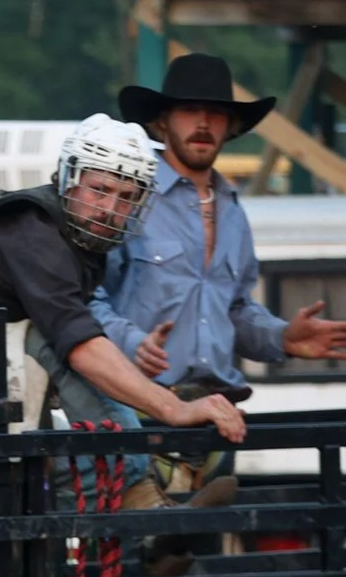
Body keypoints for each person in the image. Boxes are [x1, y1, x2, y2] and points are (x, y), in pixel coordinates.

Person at [0, 114, 247, 449]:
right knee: (63, 349)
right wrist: (172, 408)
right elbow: (77, 340)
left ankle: (110, 495)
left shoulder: (82, 240)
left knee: (50, 420)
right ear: (71, 179)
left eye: (126, 198)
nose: (111, 209)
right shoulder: (32, 225)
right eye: (100, 190)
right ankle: (134, 485)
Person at [77, 56, 346, 506]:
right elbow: (85, 297)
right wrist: (131, 342)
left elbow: (235, 309)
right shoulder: (129, 193)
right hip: (139, 415)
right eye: (189, 111)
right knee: (140, 562)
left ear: (231, 125)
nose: (203, 123)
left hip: (216, 420)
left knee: (200, 566)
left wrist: (284, 338)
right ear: (162, 121)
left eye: (216, 112)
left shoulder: (232, 209)